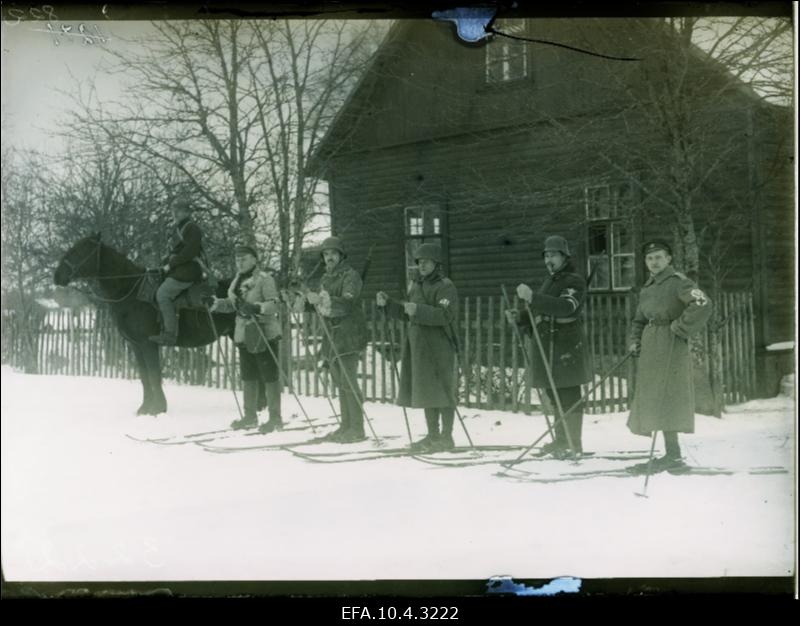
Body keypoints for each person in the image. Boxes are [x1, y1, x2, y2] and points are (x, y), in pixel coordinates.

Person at [626, 240, 712, 473]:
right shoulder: (648, 287)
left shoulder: (679, 283)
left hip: (671, 343)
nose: (654, 262)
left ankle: (674, 456)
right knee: (655, 396)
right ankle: (669, 454)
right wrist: (634, 340)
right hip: (650, 344)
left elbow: (702, 303)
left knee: (669, 395)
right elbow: (639, 319)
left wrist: (680, 328)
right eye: (650, 258)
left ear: (669, 259)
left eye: (659, 257)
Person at [506, 235, 592, 458]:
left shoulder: (574, 280)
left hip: (566, 346)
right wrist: (521, 316)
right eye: (546, 255)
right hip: (548, 343)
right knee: (555, 394)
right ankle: (561, 441)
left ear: (564, 256)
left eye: (553, 255)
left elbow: (565, 307)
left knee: (569, 393)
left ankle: (574, 444)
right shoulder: (552, 280)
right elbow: (541, 310)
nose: (548, 260)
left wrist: (533, 297)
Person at [377, 243, 459, 453]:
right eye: (419, 262)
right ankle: (432, 436)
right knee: (426, 390)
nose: (422, 266)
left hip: (440, 345)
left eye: (426, 262)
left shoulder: (445, 286)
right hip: (419, 346)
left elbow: (445, 315)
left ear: (436, 264)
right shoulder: (417, 285)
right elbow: (408, 313)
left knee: (443, 389)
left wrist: (419, 310)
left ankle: (446, 438)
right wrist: (389, 305)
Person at [294, 236, 367, 443]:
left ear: (341, 255)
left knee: (349, 381)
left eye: (333, 253)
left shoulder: (350, 276)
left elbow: (347, 303)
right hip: (332, 335)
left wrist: (322, 300)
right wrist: (305, 301)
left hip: (349, 333)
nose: (329, 258)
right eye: (326, 254)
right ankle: (345, 426)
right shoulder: (326, 278)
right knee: (340, 382)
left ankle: (357, 428)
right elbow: (322, 307)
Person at [210, 243, 282, 433]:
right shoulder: (236, 280)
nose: (239, 262)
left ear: (254, 259)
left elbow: (274, 304)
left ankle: (275, 418)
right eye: (237, 259)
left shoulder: (265, 279)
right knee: (248, 375)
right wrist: (216, 304)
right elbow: (234, 306)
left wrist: (258, 308)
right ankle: (250, 416)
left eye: (243, 259)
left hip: (264, 332)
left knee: (269, 375)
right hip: (244, 333)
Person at [149, 197, 204, 345]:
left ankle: (170, 334)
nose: (175, 214)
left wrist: (171, 264)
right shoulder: (179, 229)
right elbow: (175, 252)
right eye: (174, 211)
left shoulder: (192, 228)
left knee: (162, 294)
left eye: (179, 211)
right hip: (180, 268)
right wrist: (162, 265)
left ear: (187, 212)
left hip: (189, 270)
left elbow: (189, 252)